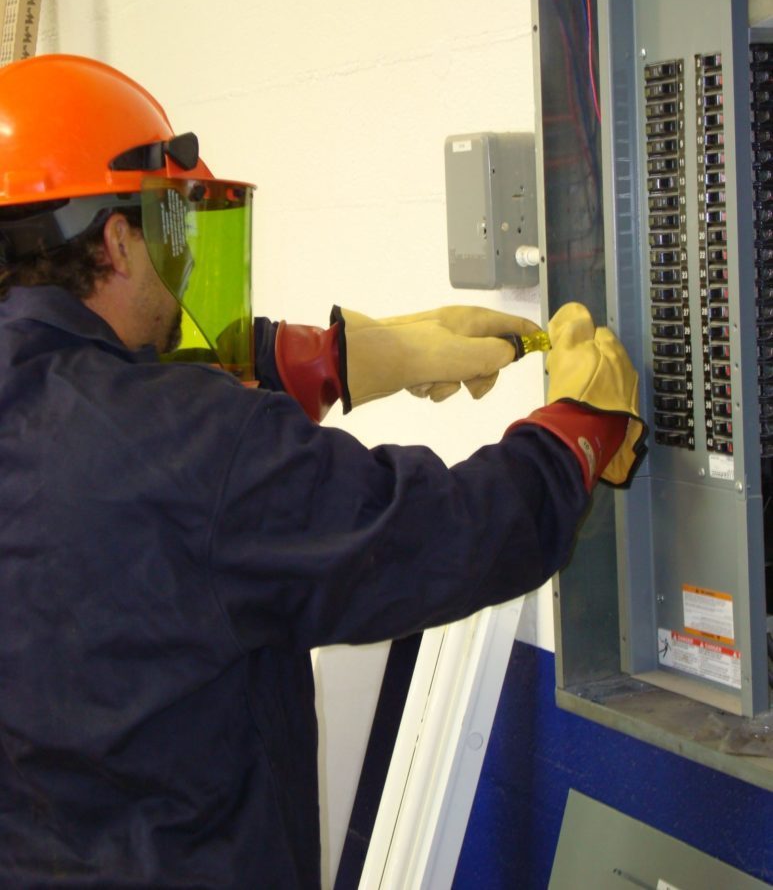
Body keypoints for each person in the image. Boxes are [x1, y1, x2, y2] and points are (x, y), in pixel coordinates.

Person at [0, 54, 647, 889]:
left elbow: (108, 406)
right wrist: (577, 429)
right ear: (119, 243)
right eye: (170, 225)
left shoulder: (136, 423)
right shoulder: (194, 445)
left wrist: (331, 359)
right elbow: (443, 537)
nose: (183, 255)